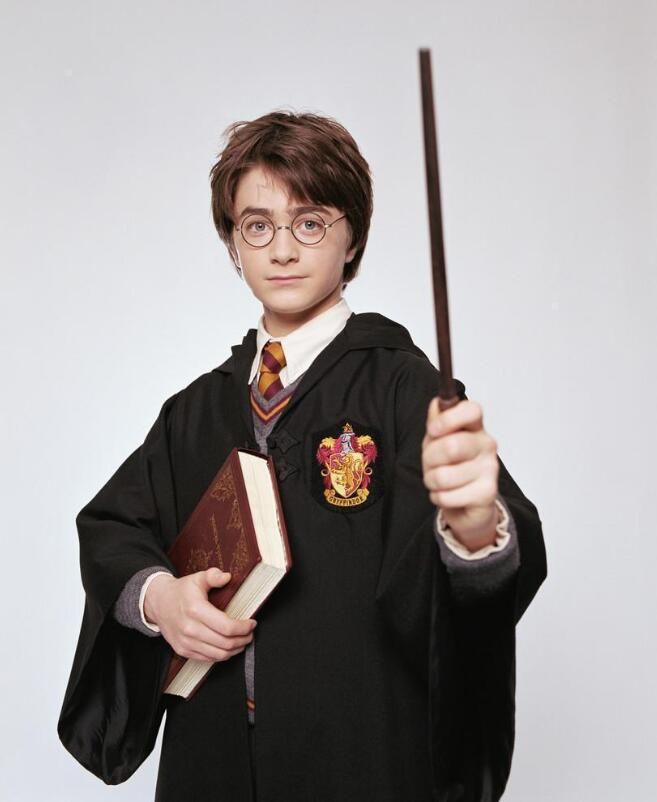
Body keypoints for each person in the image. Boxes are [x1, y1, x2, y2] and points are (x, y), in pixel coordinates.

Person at [58, 111, 546, 802]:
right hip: (214, 758)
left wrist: (471, 531)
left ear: (353, 237)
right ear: (233, 243)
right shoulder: (194, 411)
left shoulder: (405, 389)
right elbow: (112, 527)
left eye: (310, 222)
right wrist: (159, 599)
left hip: (360, 756)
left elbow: (476, 568)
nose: (283, 250)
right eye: (257, 226)